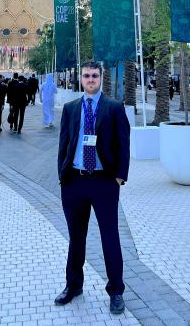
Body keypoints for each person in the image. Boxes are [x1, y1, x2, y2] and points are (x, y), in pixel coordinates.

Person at [55, 60, 130, 315]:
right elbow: (64, 145)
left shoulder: (114, 108)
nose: (90, 79)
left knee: (110, 237)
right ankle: (73, 285)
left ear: (100, 78)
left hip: (103, 182)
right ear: (81, 79)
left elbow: (123, 144)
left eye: (94, 76)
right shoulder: (71, 108)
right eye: (86, 76)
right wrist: (62, 176)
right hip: (75, 181)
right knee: (76, 238)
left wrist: (119, 176)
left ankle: (116, 291)